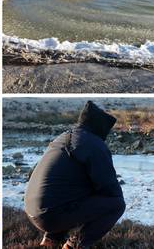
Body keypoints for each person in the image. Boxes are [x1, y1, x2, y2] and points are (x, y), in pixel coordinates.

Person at [24, 101, 125, 249]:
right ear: (101, 127)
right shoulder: (94, 145)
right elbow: (110, 190)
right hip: (50, 216)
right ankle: (73, 246)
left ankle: (50, 241)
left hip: (31, 210)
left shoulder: (64, 137)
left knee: (69, 188)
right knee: (116, 204)